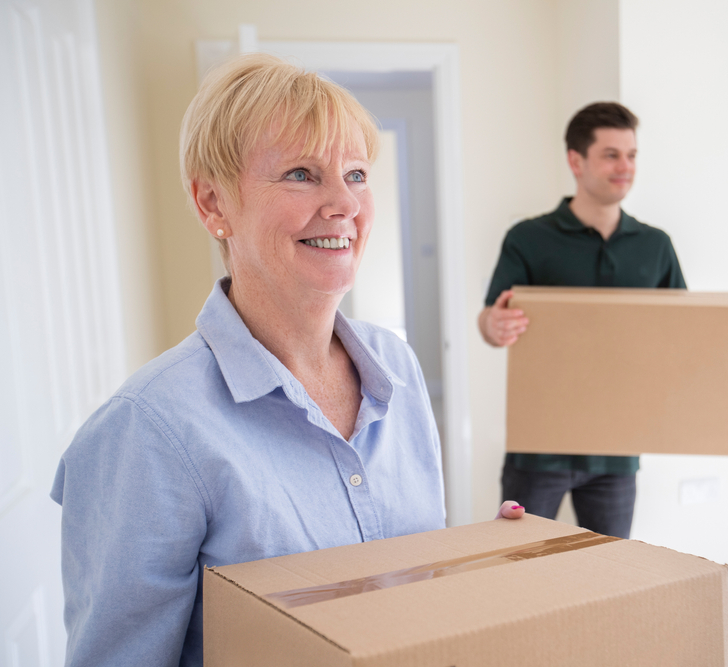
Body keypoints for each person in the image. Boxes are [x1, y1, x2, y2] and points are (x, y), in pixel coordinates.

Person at [51, 53, 524, 667]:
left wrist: (482, 569)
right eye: (302, 174)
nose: (344, 205)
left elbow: (403, 598)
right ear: (213, 204)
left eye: (356, 173)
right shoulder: (148, 428)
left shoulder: (396, 367)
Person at [479, 102, 685, 540]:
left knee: (608, 569)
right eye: (611, 154)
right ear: (576, 161)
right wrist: (493, 326)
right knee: (518, 564)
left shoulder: (656, 246)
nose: (625, 166)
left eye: (631, 155)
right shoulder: (528, 239)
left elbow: (680, 334)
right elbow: (490, 319)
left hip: (617, 451)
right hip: (538, 449)